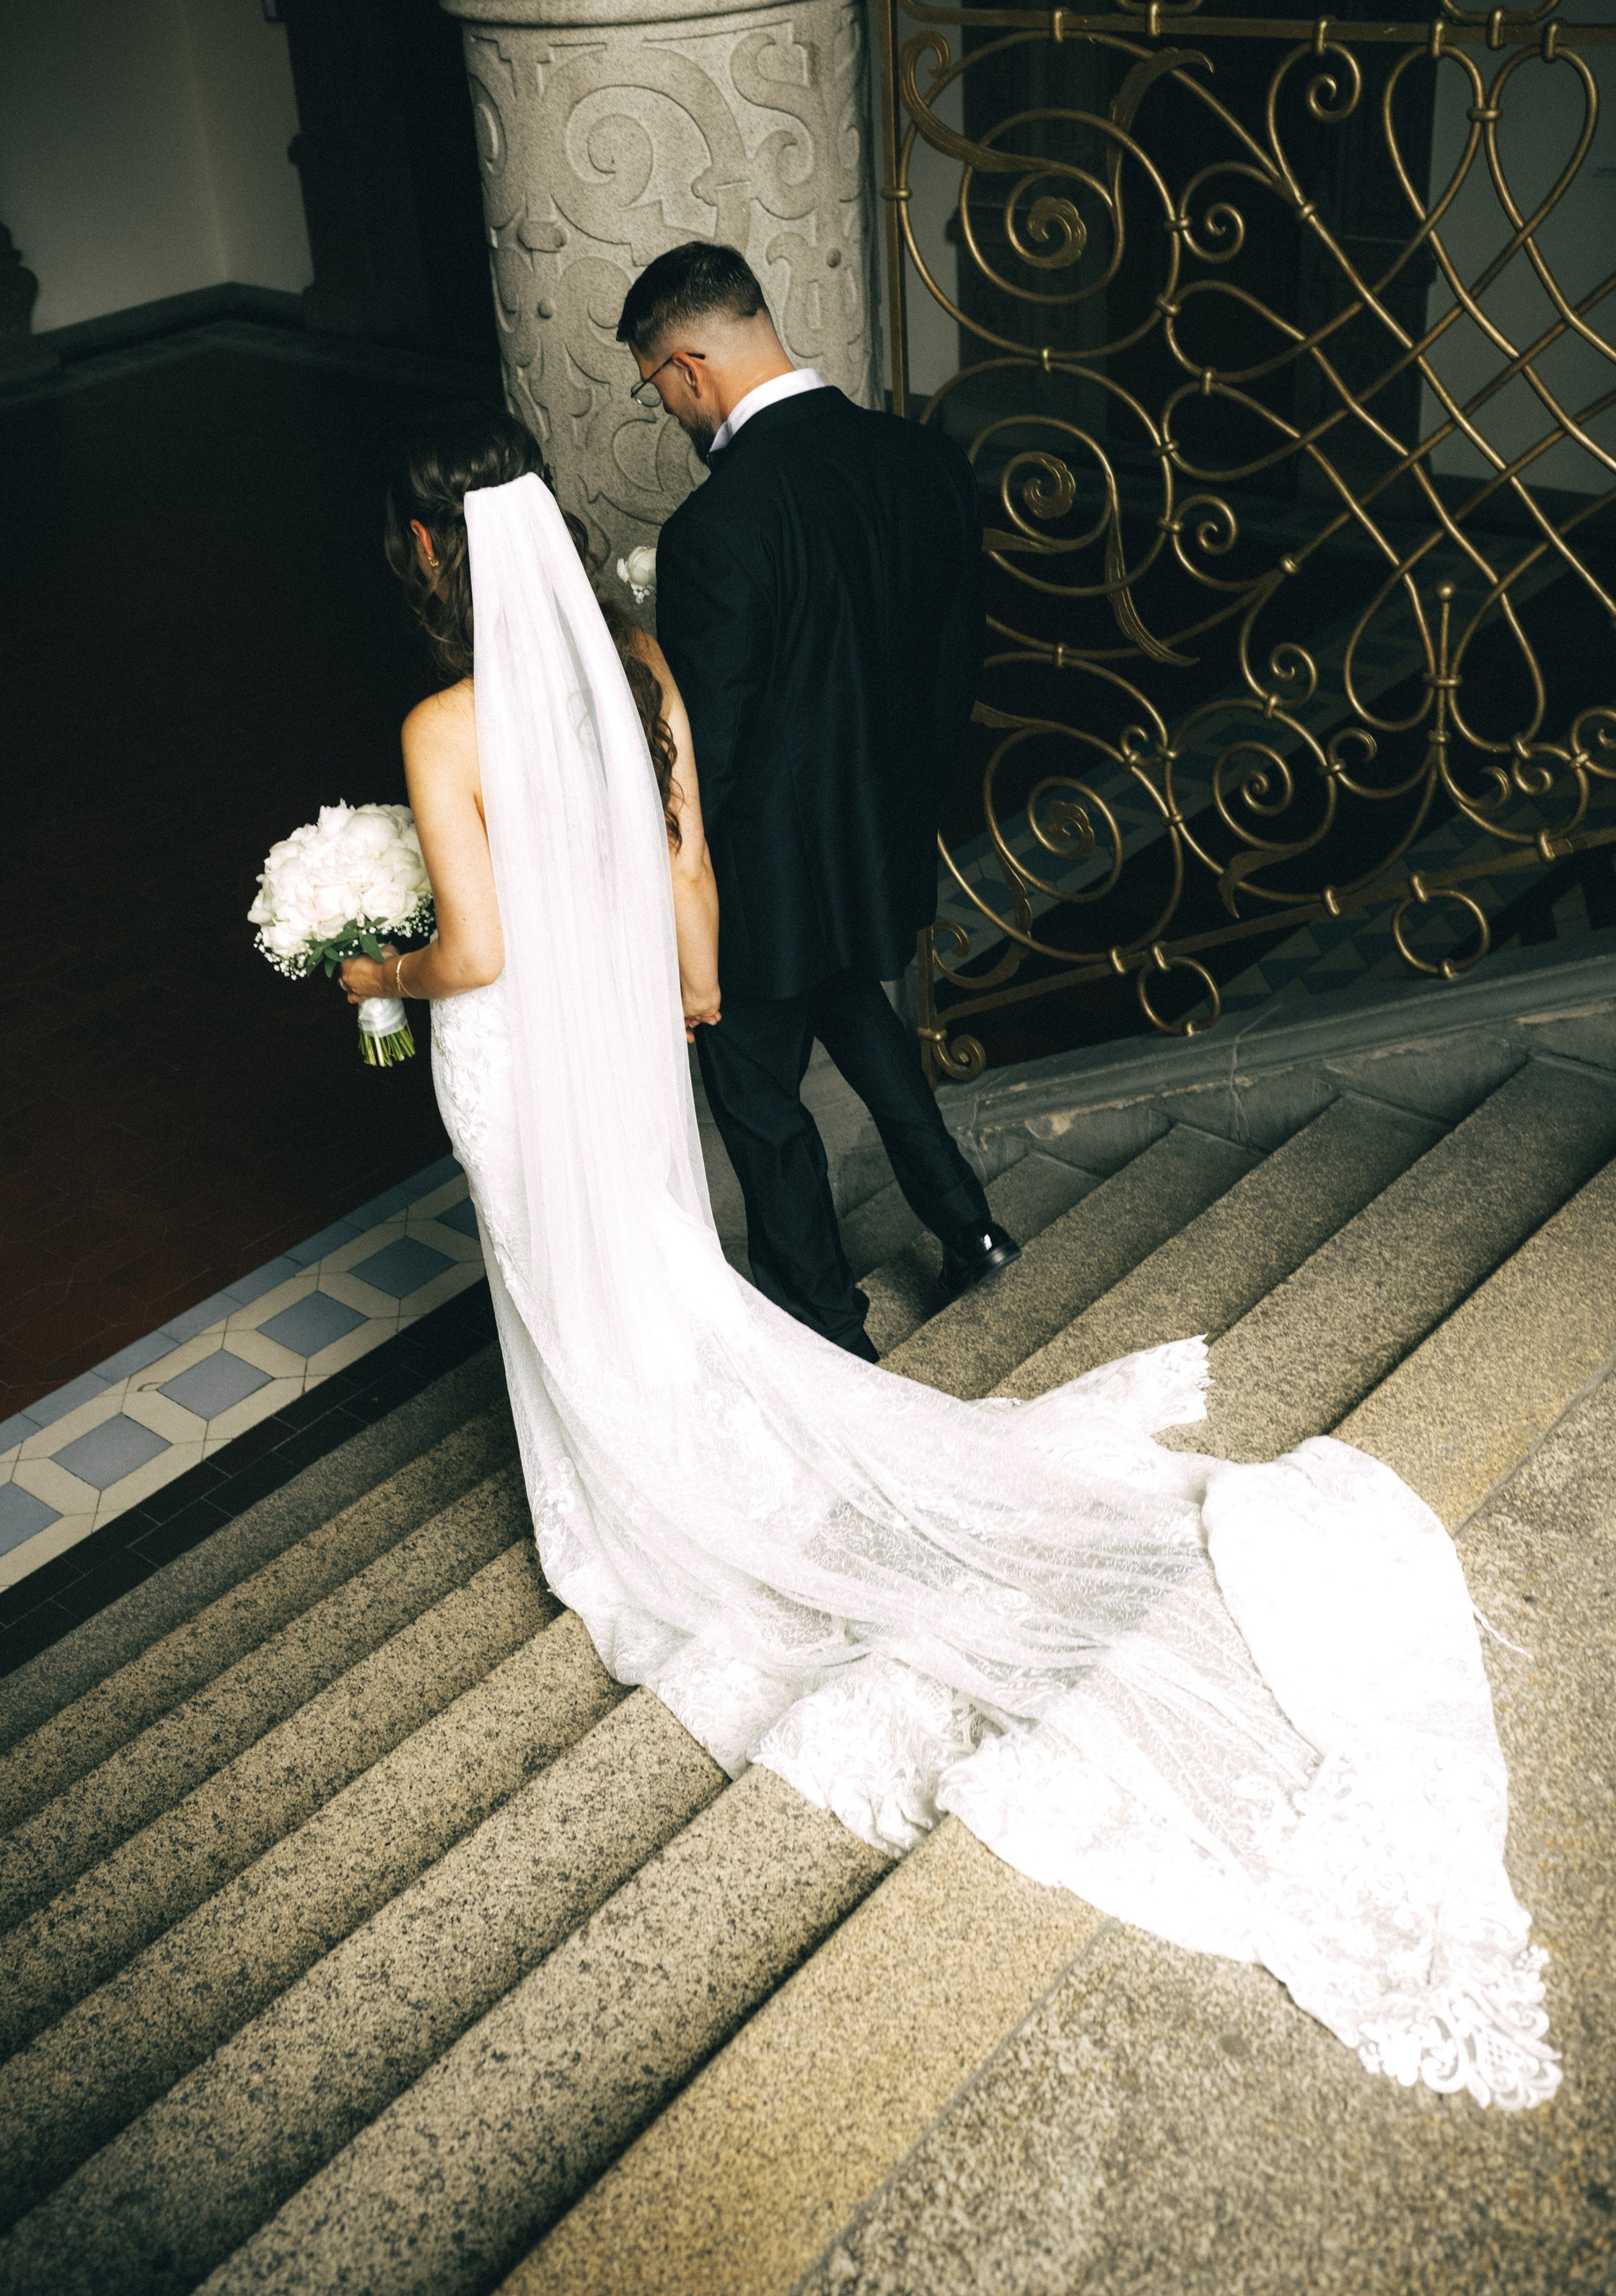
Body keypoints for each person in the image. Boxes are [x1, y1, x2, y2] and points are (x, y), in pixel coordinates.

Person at [335, 404, 1557, 2114]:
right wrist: (689, 989)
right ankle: (687, 1456)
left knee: (566, 1276)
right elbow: (685, 866)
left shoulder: (441, 722)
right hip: (613, 1034)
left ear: (419, 555)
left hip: (521, 1052)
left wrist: (370, 976)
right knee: (656, 1255)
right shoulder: (633, 664)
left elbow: (473, 946)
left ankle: (626, 1515)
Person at [621, 241, 1015, 1361]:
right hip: (880, 832)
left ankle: (827, 1331)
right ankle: (966, 1224)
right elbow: (956, 662)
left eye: (656, 386)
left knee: (753, 1094)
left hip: (764, 874)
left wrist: (679, 877)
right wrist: (895, 806)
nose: (668, 411)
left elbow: (719, 748)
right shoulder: (923, 459)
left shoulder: (720, 526)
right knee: (859, 1009)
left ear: (690, 364)